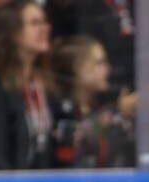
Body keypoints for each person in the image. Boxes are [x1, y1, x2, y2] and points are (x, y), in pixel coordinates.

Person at [0, 0, 57, 170]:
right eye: (35, 23)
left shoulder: (43, 84)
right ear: (14, 33)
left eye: (44, 22)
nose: (45, 28)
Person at [51, 35, 135, 168]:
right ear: (78, 68)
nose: (107, 69)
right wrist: (118, 112)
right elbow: (79, 138)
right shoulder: (61, 111)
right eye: (99, 63)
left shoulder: (98, 106)